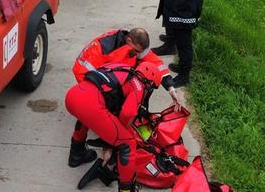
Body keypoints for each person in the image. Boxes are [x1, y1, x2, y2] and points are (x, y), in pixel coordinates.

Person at [69, 28, 181, 167]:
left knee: (93, 113)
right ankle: (90, 149)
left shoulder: (132, 43)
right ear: (129, 41)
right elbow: (84, 75)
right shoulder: (102, 49)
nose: (138, 56)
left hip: (102, 79)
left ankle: (78, 152)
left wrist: (171, 88)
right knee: (95, 112)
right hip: (88, 81)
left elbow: (153, 62)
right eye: (136, 52)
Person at [65, 61, 161, 192]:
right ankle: (126, 189)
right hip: (91, 104)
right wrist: (116, 140)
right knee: (128, 144)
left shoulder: (123, 68)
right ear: (150, 83)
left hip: (73, 95)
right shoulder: (139, 85)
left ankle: (76, 155)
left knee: (85, 118)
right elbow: (127, 113)